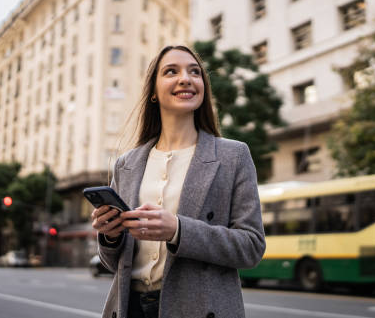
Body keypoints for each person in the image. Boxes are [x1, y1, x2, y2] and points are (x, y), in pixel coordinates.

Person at [91, 45, 265, 318]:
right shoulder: (127, 164)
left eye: (194, 72)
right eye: (171, 71)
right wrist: (110, 236)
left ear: (203, 88)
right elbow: (114, 263)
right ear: (153, 91)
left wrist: (178, 230)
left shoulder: (234, 156)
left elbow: (251, 246)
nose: (186, 78)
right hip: (129, 309)